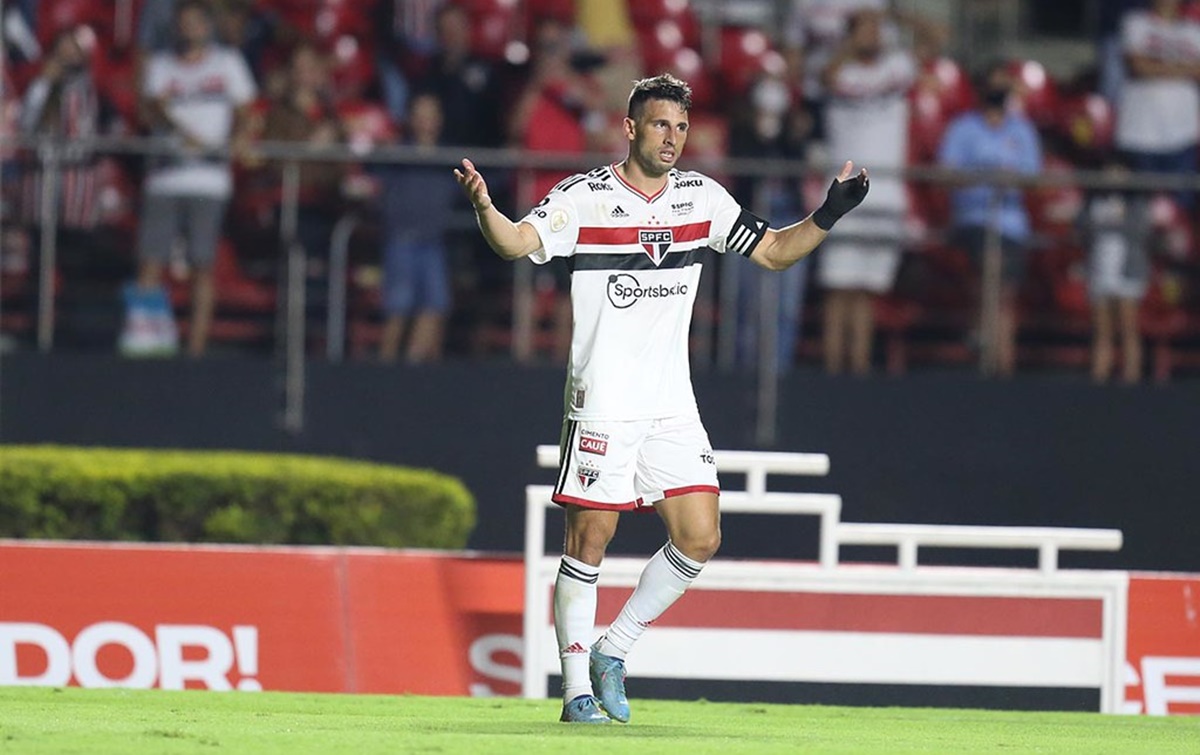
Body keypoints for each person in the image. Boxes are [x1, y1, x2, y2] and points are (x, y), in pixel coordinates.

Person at [454, 74, 869, 724]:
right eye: (658, 125)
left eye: (679, 126)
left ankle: (613, 649)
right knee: (590, 537)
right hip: (603, 402)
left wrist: (832, 211)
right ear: (630, 128)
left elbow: (776, 251)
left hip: (671, 402)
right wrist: (485, 207)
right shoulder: (584, 199)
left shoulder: (702, 198)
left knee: (700, 537)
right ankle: (573, 693)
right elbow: (514, 243)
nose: (672, 138)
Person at [123, 0, 256, 357]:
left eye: (196, 22)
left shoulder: (227, 62)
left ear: (207, 26)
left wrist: (236, 138)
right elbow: (149, 112)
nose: (189, 29)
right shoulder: (162, 66)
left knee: (203, 264)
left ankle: (195, 349)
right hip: (164, 177)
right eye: (183, 23)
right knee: (151, 260)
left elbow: (246, 111)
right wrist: (176, 127)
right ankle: (146, 344)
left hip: (209, 180)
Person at [815, 8, 915, 375]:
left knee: (867, 290)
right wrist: (849, 45)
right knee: (838, 286)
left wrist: (899, 18)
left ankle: (856, 369)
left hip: (887, 192)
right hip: (842, 189)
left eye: (877, 28)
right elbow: (824, 79)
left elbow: (937, 40)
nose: (873, 34)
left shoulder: (897, 67)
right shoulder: (836, 68)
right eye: (865, 28)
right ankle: (831, 370)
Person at [937, 62, 1041, 378]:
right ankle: (982, 342)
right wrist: (987, 177)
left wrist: (999, 179)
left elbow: (1032, 178)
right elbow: (946, 176)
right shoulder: (962, 128)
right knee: (992, 268)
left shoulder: (1022, 130)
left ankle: (1000, 365)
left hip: (1011, 224)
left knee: (1005, 297)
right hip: (973, 219)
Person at [376, 93, 456, 363]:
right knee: (397, 309)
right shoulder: (397, 154)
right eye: (420, 115)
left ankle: (414, 369)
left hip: (433, 242)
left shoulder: (448, 159)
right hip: (402, 241)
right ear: (410, 119)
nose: (426, 122)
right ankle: (384, 371)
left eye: (431, 115)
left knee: (434, 307)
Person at [1114, 0, 1200, 210]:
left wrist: (1158, 66)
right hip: (1140, 135)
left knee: (1180, 213)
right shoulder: (1136, 24)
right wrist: (1185, 68)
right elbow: (1139, 66)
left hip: (1182, 136)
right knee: (1139, 208)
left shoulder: (1193, 31)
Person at [1082, 157, 1153, 384]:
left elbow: (1140, 229)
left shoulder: (1136, 202)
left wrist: (1108, 224)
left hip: (1127, 268)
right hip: (1100, 268)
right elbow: (1083, 226)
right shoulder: (1094, 201)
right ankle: (1099, 378)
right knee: (1102, 330)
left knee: (1128, 326)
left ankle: (1131, 379)